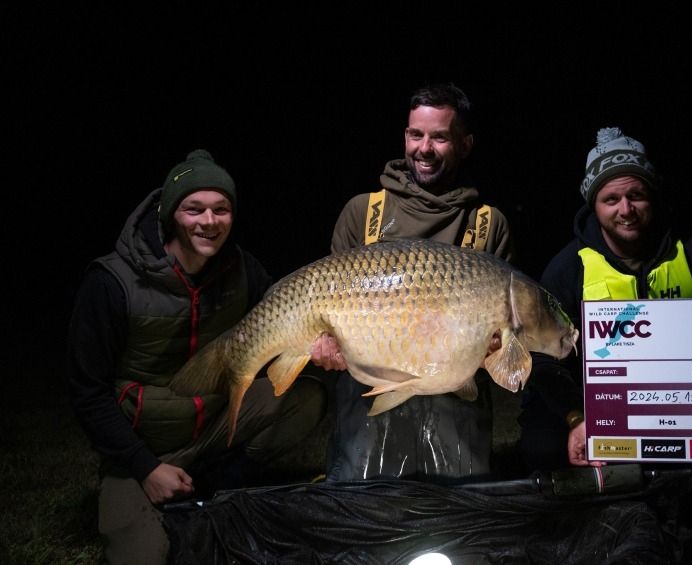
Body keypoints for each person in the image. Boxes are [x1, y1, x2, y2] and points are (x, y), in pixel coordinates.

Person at [66, 149, 326, 564]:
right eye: (194, 209)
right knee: (147, 556)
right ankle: (158, 486)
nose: (209, 221)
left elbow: (293, 318)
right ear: (171, 214)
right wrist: (145, 468)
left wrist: (318, 342)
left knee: (304, 398)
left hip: (211, 431)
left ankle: (226, 479)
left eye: (221, 209)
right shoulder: (111, 282)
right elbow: (87, 392)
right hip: (141, 451)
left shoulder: (242, 270)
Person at [518, 126, 692, 472]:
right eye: (611, 200)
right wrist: (575, 418)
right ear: (594, 206)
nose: (626, 210)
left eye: (637, 195)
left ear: (653, 195)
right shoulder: (569, 268)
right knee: (542, 447)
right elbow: (541, 360)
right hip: (592, 401)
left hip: (681, 396)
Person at [312, 83, 513, 483]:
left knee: (460, 512)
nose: (424, 148)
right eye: (415, 134)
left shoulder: (488, 224)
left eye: (440, 137)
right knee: (367, 514)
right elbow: (324, 308)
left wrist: (496, 344)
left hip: (454, 400)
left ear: (465, 143)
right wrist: (325, 343)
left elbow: (503, 333)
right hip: (372, 390)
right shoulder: (362, 213)